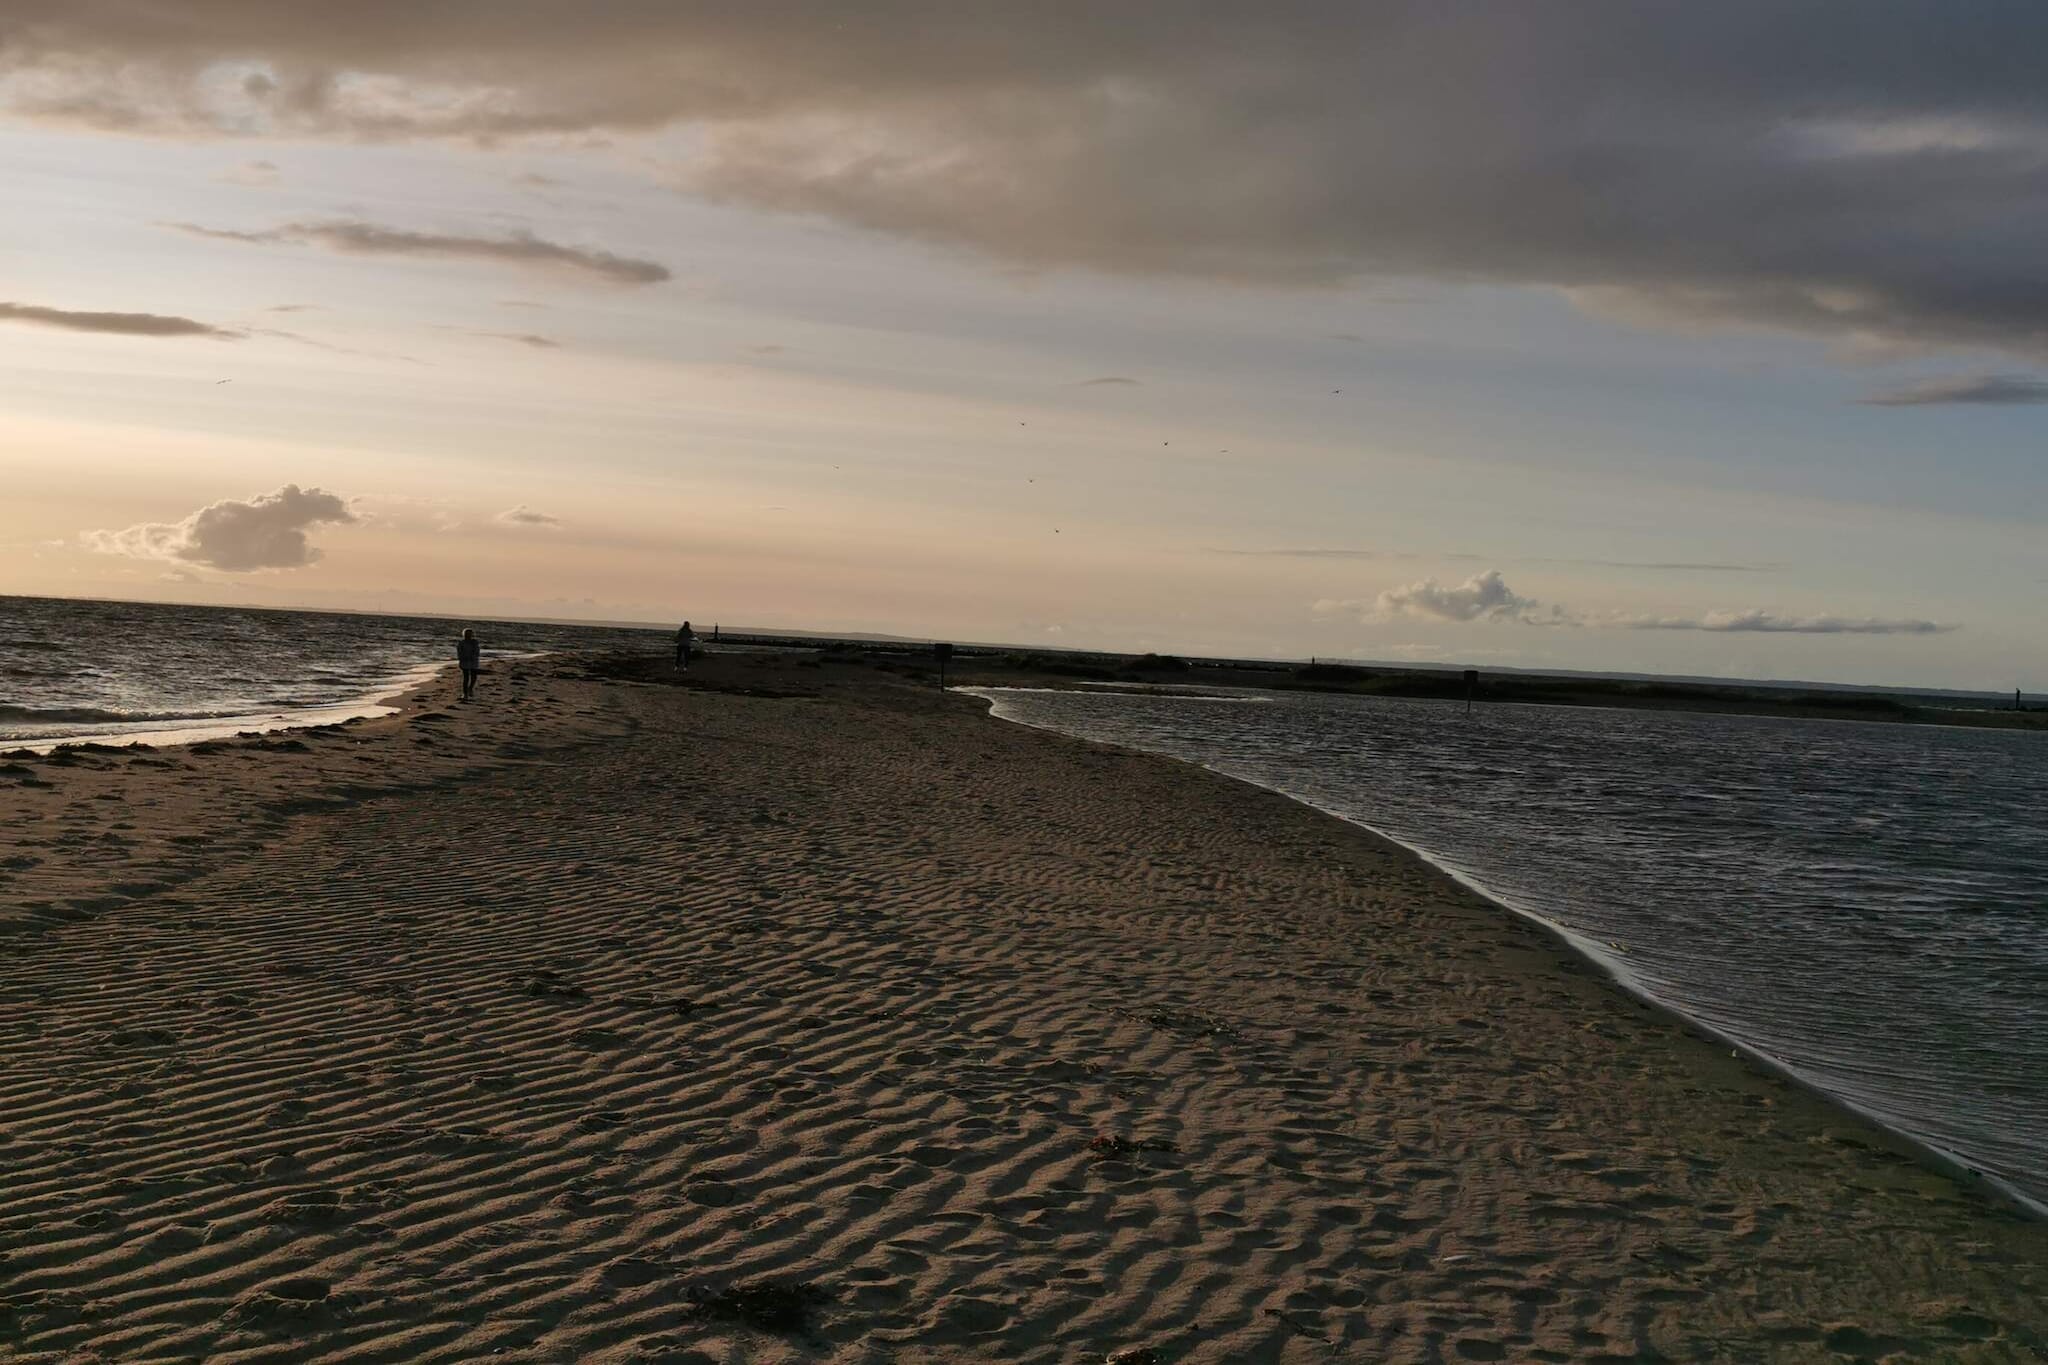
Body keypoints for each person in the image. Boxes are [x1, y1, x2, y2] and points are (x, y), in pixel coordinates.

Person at [457, 628, 482, 699]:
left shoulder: (475, 642)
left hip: (473, 661)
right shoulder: (461, 642)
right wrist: (462, 658)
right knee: (466, 678)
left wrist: (474, 656)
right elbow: (459, 652)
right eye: (467, 634)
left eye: (470, 634)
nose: (468, 635)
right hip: (464, 661)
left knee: (474, 677)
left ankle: (470, 688)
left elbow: (477, 651)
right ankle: (465, 694)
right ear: (464, 634)